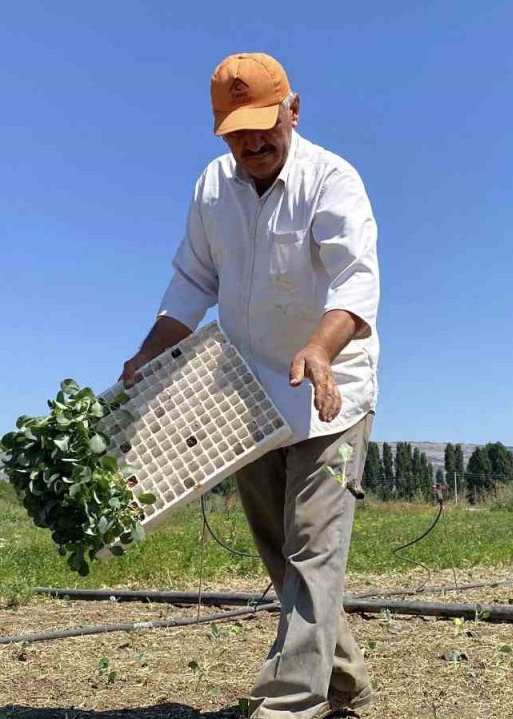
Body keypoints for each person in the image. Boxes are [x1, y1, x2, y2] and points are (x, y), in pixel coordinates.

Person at [118, 52, 380, 719]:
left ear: (294, 110)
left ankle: (289, 705)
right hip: (248, 394)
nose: (254, 144)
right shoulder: (213, 187)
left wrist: (319, 348)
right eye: (238, 133)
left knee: (313, 549)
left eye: (265, 125)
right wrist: (147, 353)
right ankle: (343, 681)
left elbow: (355, 281)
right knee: (282, 556)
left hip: (330, 392)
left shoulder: (332, 180)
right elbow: (192, 281)